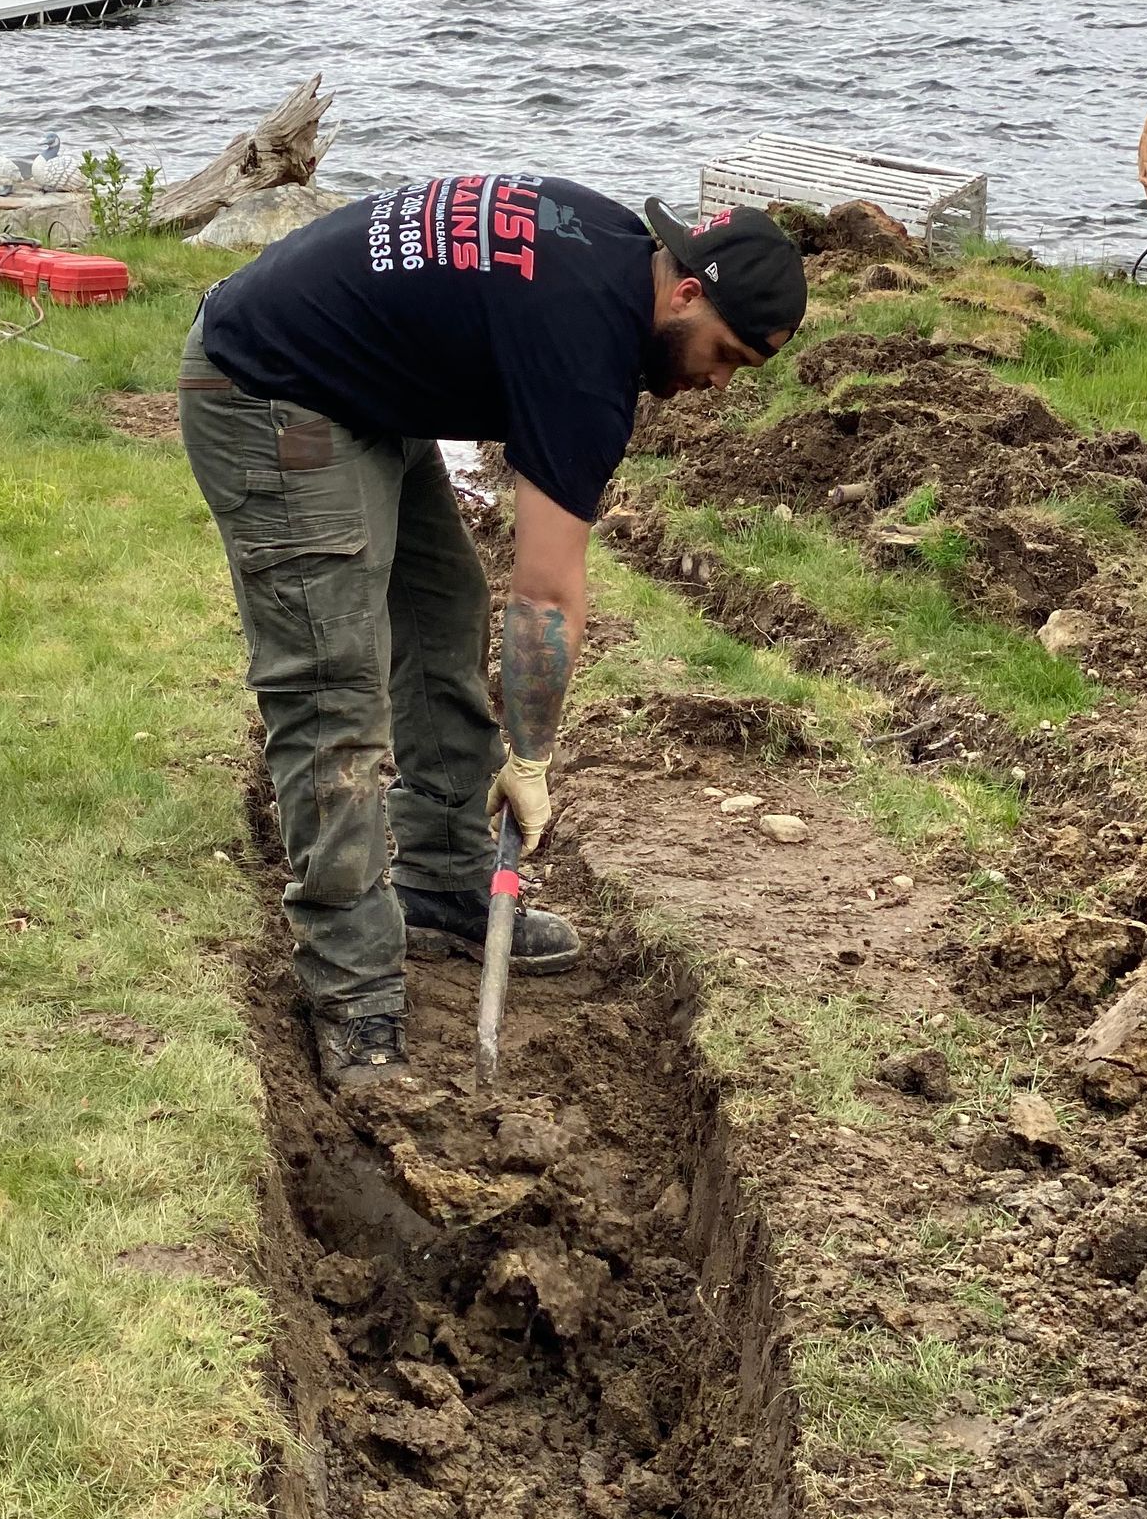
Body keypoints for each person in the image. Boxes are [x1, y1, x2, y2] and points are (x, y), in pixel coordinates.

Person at [178, 175, 808, 1091]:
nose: (717, 384)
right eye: (728, 356)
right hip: (270, 386)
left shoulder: (607, 248)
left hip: (363, 381)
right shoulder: (584, 350)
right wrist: (533, 757)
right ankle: (352, 987)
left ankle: (443, 879)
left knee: (443, 614)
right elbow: (546, 597)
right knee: (329, 684)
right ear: (685, 293)